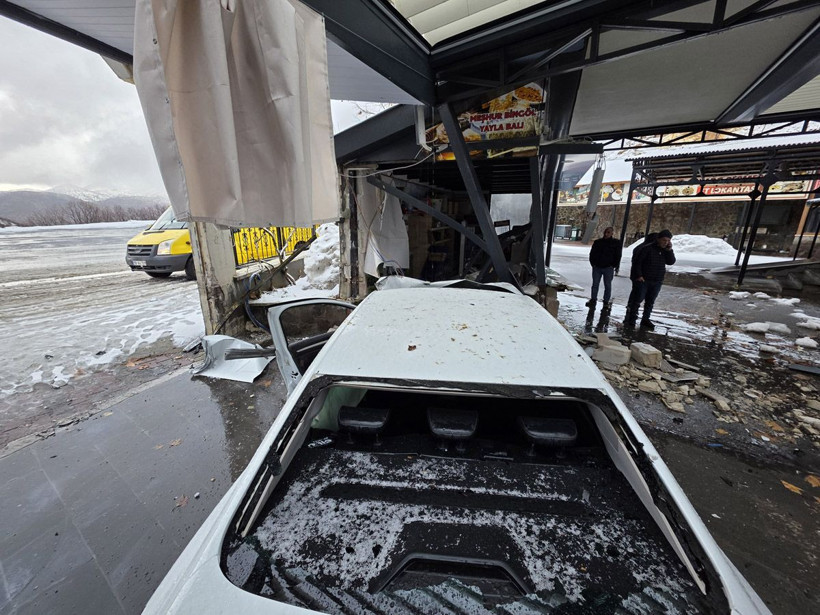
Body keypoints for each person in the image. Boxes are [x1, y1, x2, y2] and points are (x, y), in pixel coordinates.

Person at [625, 229, 676, 330]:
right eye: (664, 240)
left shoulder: (665, 251)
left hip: (657, 280)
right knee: (637, 300)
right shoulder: (647, 248)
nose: (665, 243)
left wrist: (669, 250)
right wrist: (639, 275)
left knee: (650, 301)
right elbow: (638, 263)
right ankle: (632, 319)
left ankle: (645, 319)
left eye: (668, 241)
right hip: (644, 279)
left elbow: (671, 261)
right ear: (658, 239)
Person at [586, 227, 621, 308]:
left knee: (607, 285)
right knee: (595, 284)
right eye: (605, 232)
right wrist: (593, 263)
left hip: (608, 267)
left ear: (612, 233)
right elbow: (592, 253)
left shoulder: (615, 243)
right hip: (597, 266)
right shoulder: (598, 242)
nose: (606, 234)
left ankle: (606, 301)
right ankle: (593, 299)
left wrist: (614, 265)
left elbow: (618, 255)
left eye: (608, 232)